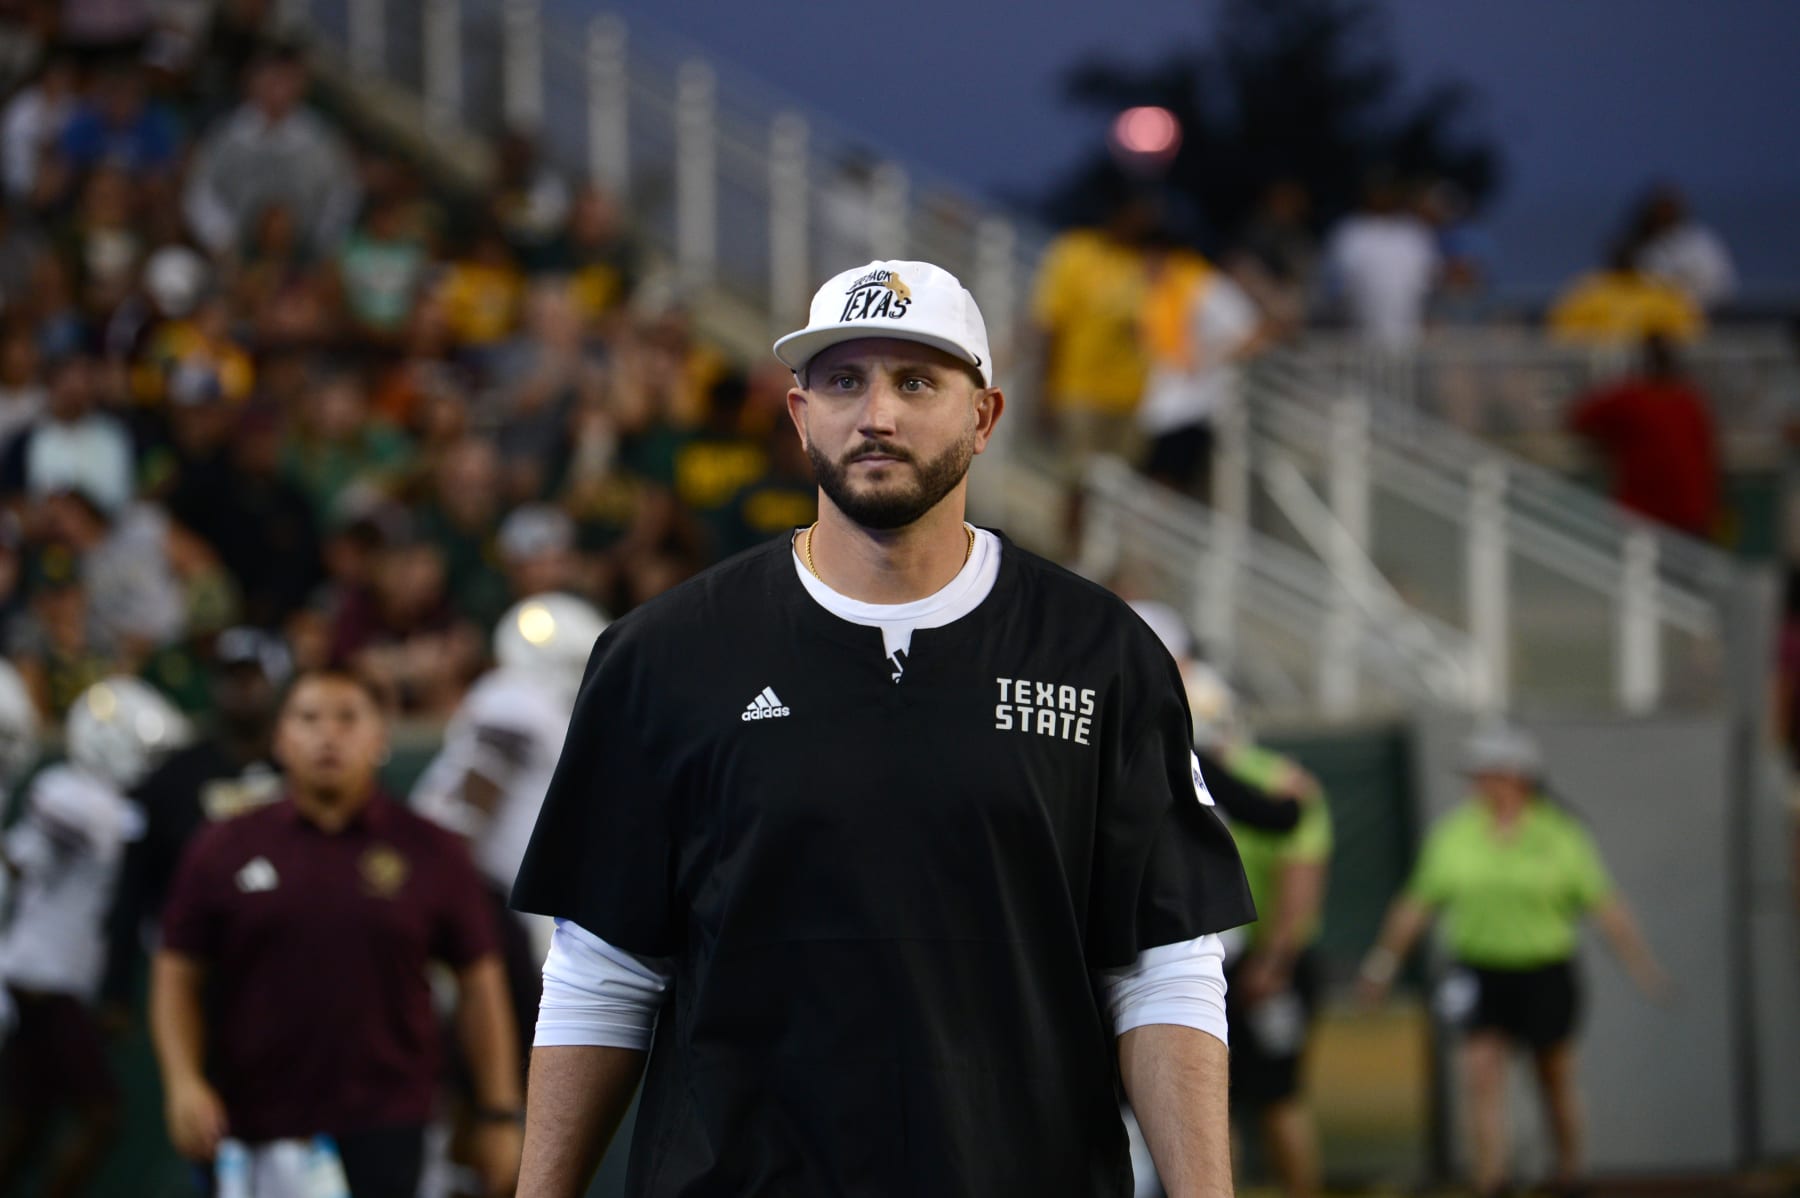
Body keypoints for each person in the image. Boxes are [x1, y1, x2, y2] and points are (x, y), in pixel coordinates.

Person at [510, 259, 1254, 1197]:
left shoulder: (1099, 651)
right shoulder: (666, 655)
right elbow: (604, 971)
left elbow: (1160, 968)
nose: (877, 415)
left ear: (985, 417)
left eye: (915, 381)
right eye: (842, 380)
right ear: (798, 413)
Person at [150, 668, 522, 1198]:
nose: (328, 735)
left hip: (389, 1120)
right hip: (251, 1121)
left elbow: (480, 983)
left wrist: (498, 1111)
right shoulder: (223, 846)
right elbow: (175, 972)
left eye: (348, 718)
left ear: (379, 737)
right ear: (281, 738)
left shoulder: (431, 850)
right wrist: (183, 1082)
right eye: (308, 718)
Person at [1357, 724, 1668, 1198]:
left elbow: (1604, 905)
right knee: (1480, 1073)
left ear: (1518, 778)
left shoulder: (1559, 834)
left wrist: (1641, 965)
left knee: (1554, 1074)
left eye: (1488, 773)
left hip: (1544, 971)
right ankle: (1492, 1181)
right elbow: (1415, 905)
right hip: (1478, 970)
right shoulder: (1455, 834)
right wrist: (1382, 965)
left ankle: (1568, 1173)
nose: (1478, 784)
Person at [0, 676, 189, 1198]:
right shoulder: (71, 792)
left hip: (52, 980)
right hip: (44, 979)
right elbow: (69, 820)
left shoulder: (119, 811)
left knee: (27, 1122)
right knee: (100, 1115)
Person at [413, 592, 608, 1057]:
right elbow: (468, 805)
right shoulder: (517, 696)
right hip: (473, 893)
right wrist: (440, 899)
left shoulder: (559, 708)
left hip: (494, 895)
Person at [101, 626, 291, 1011]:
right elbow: (134, 883)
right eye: (232, 678)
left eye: (253, 678)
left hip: (289, 957)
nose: (243, 690)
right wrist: (116, 984)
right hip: (197, 963)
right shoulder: (174, 775)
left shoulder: (302, 770)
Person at [1567, 334, 1720, 539]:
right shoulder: (1690, 400)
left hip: (1647, 516)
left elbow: (1578, 418)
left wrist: (1608, 443)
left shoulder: (1631, 399)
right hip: (1691, 513)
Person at [1319, 172, 1439, 351]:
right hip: (1356, 341)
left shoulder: (1414, 233)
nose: (1382, 196)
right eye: (1377, 190)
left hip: (1408, 341)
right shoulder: (1348, 232)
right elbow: (1332, 287)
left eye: (1387, 190)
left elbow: (1431, 283)